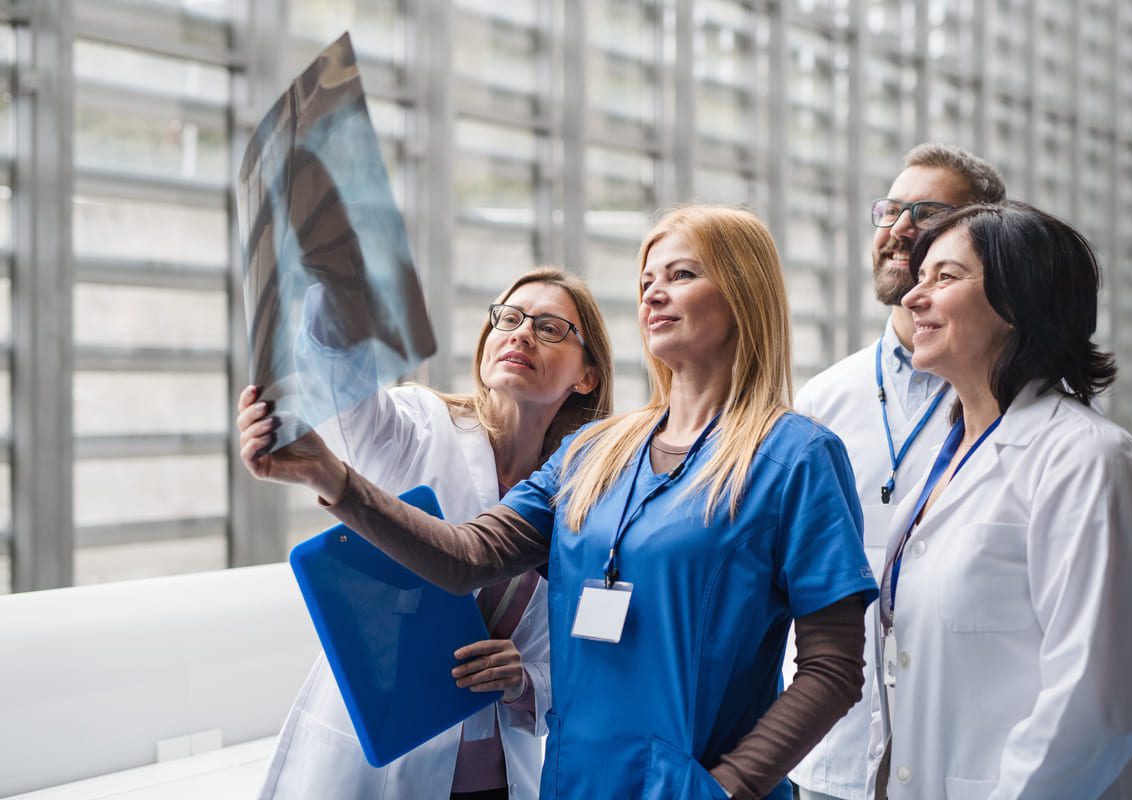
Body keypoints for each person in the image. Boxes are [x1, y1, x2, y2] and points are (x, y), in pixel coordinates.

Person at [239, 204, 880, 799]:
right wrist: (332, 477)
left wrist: (726, 786)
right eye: (646, 280)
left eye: (681, 275)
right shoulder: (592, 454)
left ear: (743, 294)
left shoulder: (797, 457)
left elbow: (832, 667)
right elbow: (466, 558)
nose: (653, 292)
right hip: (575, 783)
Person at [247, 266, 614, 800]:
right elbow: (345, 397)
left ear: (586, 375)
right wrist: (336, 295)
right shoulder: (418, 425)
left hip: (501, 776)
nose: (520, 333)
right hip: (379, 766)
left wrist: (526, 678)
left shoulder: (585, 497)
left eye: (549, 327)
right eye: (508, 318)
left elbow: (590, 658)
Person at [869, 201, 1132, 798]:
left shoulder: (1087, 459)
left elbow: (1089, 710)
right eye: (919, 278)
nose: (912, 299)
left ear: (1018, 299)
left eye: (944, 278)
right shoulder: (942, 460)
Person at [789, 143, 1006, 800]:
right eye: (891, 209)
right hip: (835, 757)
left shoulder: (1021, 404)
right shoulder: (820, 400)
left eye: (928, 212)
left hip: (970, 756)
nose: (900, 228)